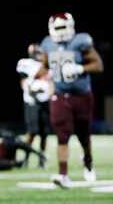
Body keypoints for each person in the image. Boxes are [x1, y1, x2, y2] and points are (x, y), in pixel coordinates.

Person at [39, 13, 104, 188]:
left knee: (84, 135)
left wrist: (79, 68)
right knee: (62, 135)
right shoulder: (47, 43)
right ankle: (63, 174)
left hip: (81, 95)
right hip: (59, 95)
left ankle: (88, 162)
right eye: (57, 28)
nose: (60, 32)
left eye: (63, 27)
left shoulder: (81, 41)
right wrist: (39, 80)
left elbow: (98, 65)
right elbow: (44, 67)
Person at [16, 44, 52, 164]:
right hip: (31, 101)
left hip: (45, 101)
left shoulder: (49, 66)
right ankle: (26, 158)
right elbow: (23, 81)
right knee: (32, 131)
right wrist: (31, 88)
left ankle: (42, 159)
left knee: (44, 133)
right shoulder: (26, 63)